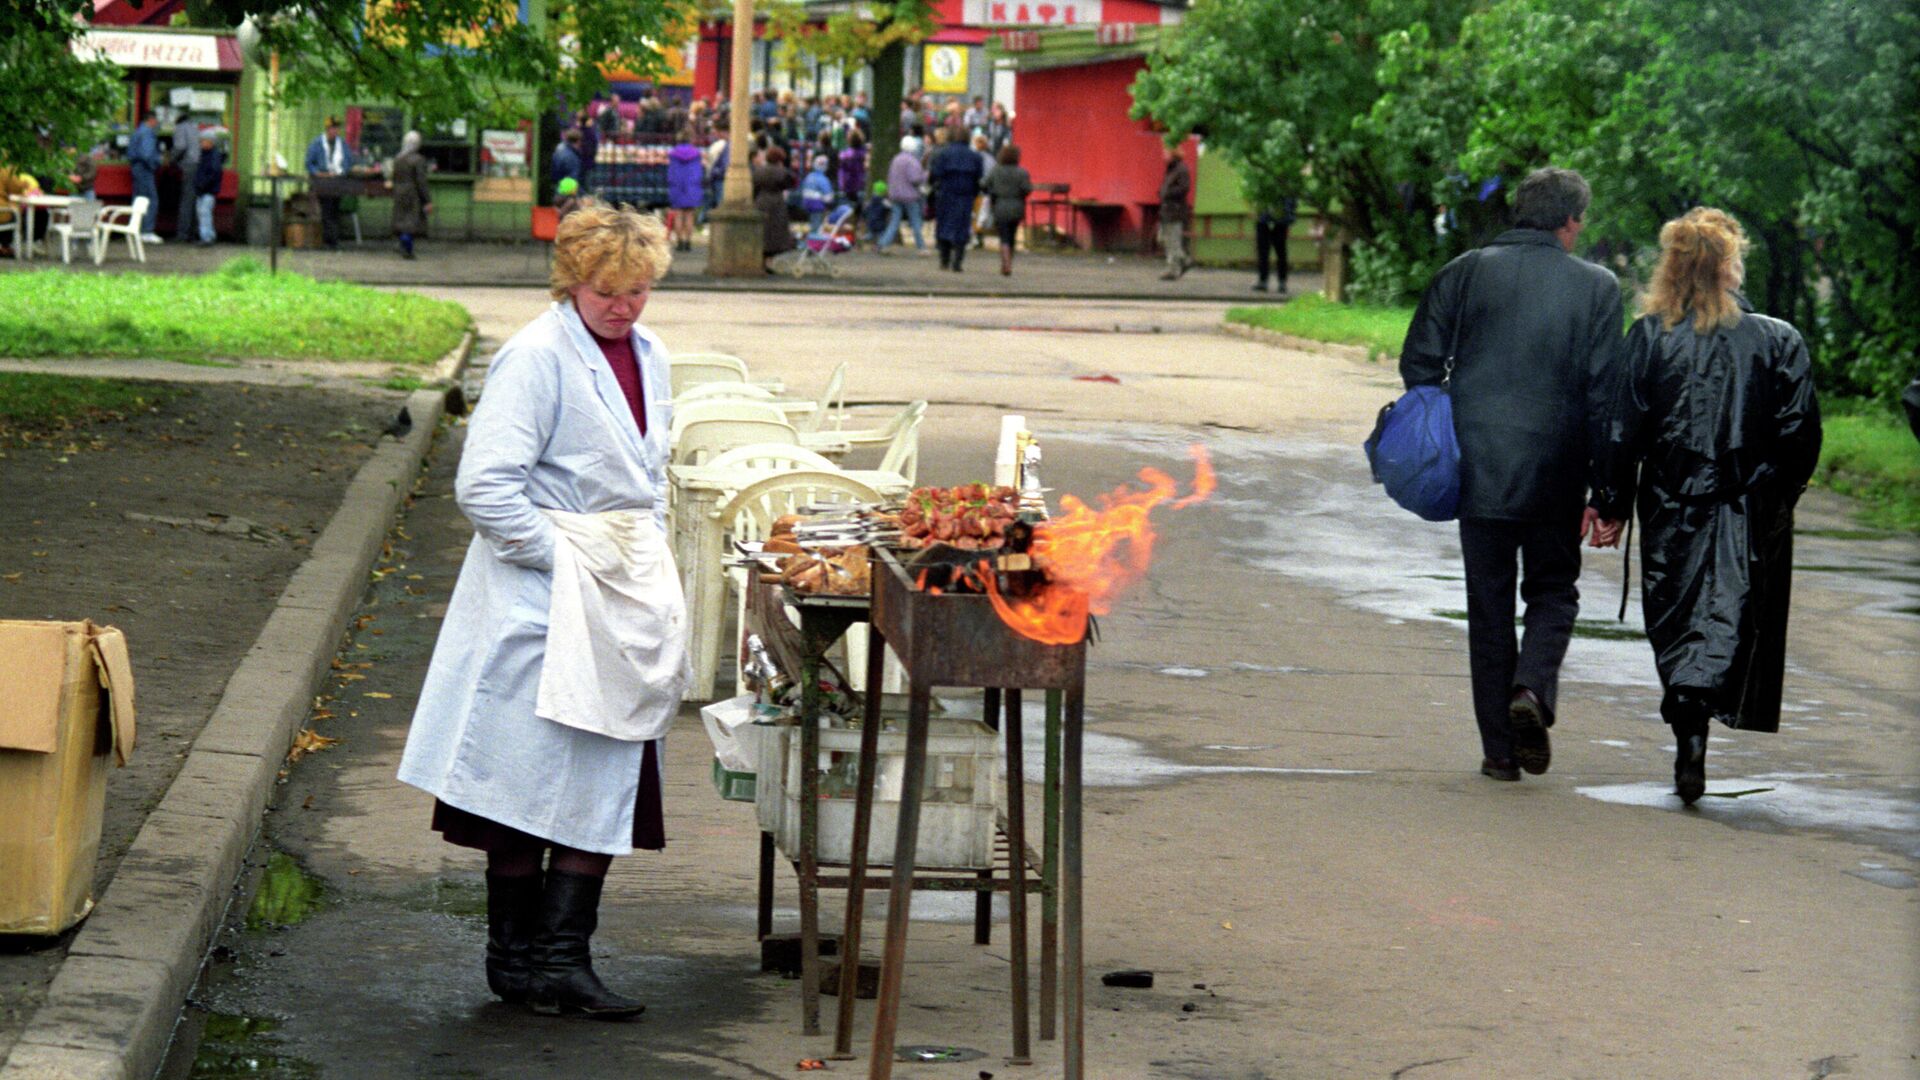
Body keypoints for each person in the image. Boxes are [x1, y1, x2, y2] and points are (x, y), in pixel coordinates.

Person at [397, 203, 685, 1021]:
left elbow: (649, 470)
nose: (624, 307)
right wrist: (566, 563)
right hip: (541, 592)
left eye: (639, 291)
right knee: (520, 781)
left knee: (604, 769)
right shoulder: (535, 357)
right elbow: (484, 486)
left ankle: (560, 961)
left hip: (620, 593)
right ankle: (515, 963)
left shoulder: (652, 354)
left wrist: (646, 569)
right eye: (608, 292)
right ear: (572, 282)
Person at [1398, 166, 1626, 782]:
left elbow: (1418, 362)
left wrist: (1452, 417)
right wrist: (1608, 492)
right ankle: (1531, 689)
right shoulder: (1599, 288)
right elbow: (1608, 396)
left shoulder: (1465, 271)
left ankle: (1500, 753)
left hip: (1479, 470)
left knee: (1489, 605)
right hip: (1558, 471)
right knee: (1554, 590)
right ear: (1570, 220)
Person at [1595, 208, 1822, 805]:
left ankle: (1688, 723)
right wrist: (1773, 495)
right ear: (1728, 266)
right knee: (1729, 613)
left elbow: (1622, 426)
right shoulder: (1777, 340)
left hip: (1672, 502)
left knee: (1676, 617)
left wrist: (1611, 500)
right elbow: (1800, 435)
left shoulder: (1649, 337)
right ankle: (1697, 719)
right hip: (1745, 504)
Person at [928, 127, 983, 271]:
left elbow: (936, 173)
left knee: (944, 225)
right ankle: (958, 261)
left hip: (946, 193)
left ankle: (944, 260)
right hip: (966, 195)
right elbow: (979, 177)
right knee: (962, 227)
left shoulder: (943, 154)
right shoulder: (975, 156)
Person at [981, 143, 1032, 277]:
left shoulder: (996, 170)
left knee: (1003, 236)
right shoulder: (1022, 172)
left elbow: (984, 184)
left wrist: (992, 192)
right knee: (1012, 236)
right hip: (1016, 206)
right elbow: (1027, 189)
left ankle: (1006, 262)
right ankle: (1009, 262)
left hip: (1000, 205)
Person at [304, 117, 354, 250]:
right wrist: (318, 173)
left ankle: (333, 240)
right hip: (322, 181)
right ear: (327, 129)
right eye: (333, 128)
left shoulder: (342, 144)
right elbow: (309, 163)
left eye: (337, 128)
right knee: (326, 210)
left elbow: (349, 161)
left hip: (337, 181)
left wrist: (342, 170)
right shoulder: (317, 143)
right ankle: (328, 241)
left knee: (335, 210)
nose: (335, 131)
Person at [878, 136, 927, 254]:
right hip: (909, 196)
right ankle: (921, 247)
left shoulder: (896, 159)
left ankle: (883, 244)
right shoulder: (912, 161)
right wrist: (925, 175)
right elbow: (915, 179)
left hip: (895, 195)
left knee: (894, 221)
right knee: (915, 221)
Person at [751, 145, 796, 271]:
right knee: (776, 234)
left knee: (763, 233)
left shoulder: (759, 171)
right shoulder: (782, 172)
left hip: (761, 202)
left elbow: (754, 187)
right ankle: (769, 261)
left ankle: (762, 261)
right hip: (777, 203)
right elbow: (791, 182)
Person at [390, 130, 432, 260]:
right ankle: (407, 248)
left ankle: (401, 243)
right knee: (411, 222)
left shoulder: (398, 159)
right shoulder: (418, 160)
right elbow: (421, 181)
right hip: (413, 193)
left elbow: (394, 176)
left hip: (399, 192)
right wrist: (427, 200)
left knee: (401, 220)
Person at [1157, 142, 1193, 280]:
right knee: (1163, 238)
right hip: (1167, 209)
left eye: (1166, 152)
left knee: (1172, 240)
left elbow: (1184, 188)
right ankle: (1183, 261)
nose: (1163, 155)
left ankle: (1174, 268)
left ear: (1173, 154)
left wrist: (1167, 193)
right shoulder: (1172, 169)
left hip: (1175, 210)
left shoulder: (1181, 170)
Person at [665, 130, 704, 252]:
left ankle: (680, 241)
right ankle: (688, 241)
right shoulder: (696, 154)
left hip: (677, 186)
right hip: (692, 186)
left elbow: (671, 172)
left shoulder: (673, 154)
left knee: (679, 215)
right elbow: (698, 171)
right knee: (689, 215)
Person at [128, 112, 163, 243]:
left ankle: (135, 228)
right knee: (150, 200)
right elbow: (146, 154)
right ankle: (147, 231)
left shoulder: (138, 131)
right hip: (144, 169)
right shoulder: (147, 133)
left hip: (136, 168)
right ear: (151, 120)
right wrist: (155, 164)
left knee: (138, 199)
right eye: (156, 120)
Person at [1252, 197, 1296, 294]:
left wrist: (1290, 216)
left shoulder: (1285, 185)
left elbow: (1292, 201)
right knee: (1264, 252)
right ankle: (1264, 281)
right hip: (1264, 220)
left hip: (1280, 221)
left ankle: (1281, 282)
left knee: (1280, 252)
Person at [171, 112, 200, 243]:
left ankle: (182, 234)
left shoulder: (180, 128)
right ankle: (193, 233)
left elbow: (180, 146)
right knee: (194, 201)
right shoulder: (195, 127)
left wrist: (171, 159)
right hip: (198, 165)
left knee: (186, 201)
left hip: (188, 166)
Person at [191, 133, 224, 246]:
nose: (201, 143)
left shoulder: (211, 156)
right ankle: (208, 235)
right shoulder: (210, 155)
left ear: (210, 142)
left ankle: (206, 237)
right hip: (206, 189)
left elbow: (212, 173)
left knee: (204, 213)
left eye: (203, 141)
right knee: (203, 213)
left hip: (207, 189)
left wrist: (201, 184)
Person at [799, 154, 834, 234]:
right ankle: (814, 238)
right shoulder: (823, 179)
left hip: (806, 203)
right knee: (817, 224)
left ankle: (810, 236)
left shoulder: (809, 176)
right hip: (817, 205)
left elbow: (802, 189)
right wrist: (830, 203)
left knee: (811, 222)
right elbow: (828, 196)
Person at [836, 131, 867, 210]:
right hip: (860, 183)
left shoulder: (844, 155)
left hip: (847, 184)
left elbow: (841, 170)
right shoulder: (864, 154)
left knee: (847, 207)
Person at [551, 129, 585, 197]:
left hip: (557, 188)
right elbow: (572, 180)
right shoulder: (572, 157)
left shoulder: (559, 150)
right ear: (578, 141)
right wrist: (582, 195)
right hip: (566, 192)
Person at [863, 180, 891, 248]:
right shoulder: (884, 201)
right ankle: (879, 246)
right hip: (880, 222)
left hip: (871, 221)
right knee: (882, 235)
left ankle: (862, 240)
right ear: (883, 192)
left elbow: (866, 209)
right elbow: (890, 207)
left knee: (871, 234)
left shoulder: (870, 201)